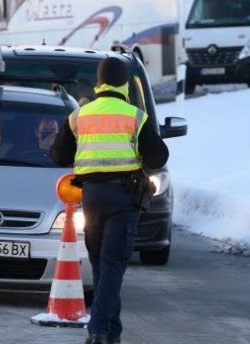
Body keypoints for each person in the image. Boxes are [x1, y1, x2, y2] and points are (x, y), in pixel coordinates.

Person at [50, 57, 169, 344]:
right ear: (125, 85)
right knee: (113, 263)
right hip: (123, 197)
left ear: (98, 85)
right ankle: (99, 331)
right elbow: (159, 157)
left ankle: (111, 332)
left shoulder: (79, 116)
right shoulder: (135, 116)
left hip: (91, 197)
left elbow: (58, 155)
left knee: (103, 265)